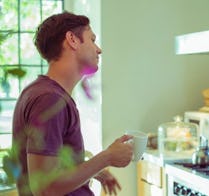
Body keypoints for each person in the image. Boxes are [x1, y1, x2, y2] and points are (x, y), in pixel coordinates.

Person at [11, 11, 134, 196]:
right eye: (92, 40)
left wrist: (95, 171)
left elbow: (55, 167)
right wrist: (106, 157)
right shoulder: (49, 99)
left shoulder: (44, 92)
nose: (98, 49)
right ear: (72, 40)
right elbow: (45, 188)